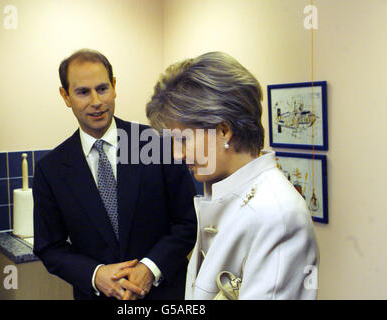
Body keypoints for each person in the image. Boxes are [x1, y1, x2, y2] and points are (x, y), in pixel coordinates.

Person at [146, 51, 319, 299]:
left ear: (224, 130)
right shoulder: (221, 191)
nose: (177, 154)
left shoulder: (278, 216)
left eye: (183, 140)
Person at [33, 49, 197, 300]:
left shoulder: (156, 144)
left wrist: (150, 268)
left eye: (102, 88)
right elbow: (49, 247)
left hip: (163, 295)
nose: (96, 101)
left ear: (115, 86)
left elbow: (187, 222)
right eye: (82, 92)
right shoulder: (51, 169)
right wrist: (95, 274)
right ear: (65, 96)